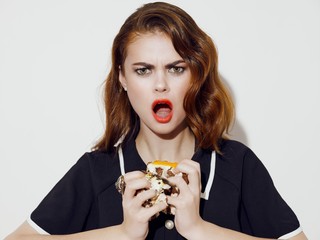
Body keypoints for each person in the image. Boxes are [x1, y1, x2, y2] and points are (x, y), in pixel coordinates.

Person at [5, 2, 307, 240]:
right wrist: (122, 234)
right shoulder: (97, 170)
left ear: (197, 75)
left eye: (176, 68)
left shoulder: (236, 165)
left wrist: (199, 230)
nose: (160, 84)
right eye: (143, 70)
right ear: (122, 77)